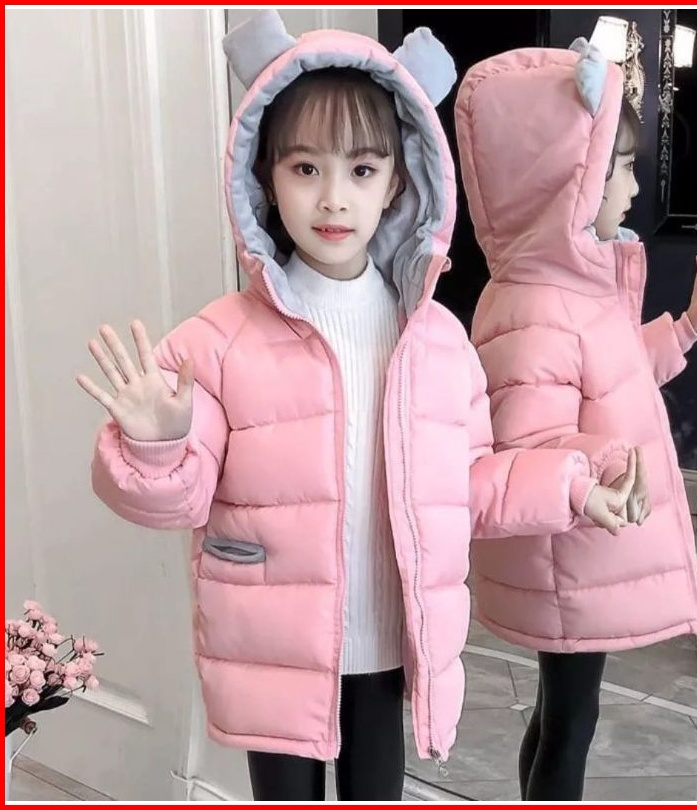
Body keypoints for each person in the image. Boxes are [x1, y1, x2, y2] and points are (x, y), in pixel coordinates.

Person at [77, 15, 636, 802]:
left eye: (362, 169)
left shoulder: (437, 340)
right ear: (264, 176)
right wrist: (160, 446)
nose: (333, 198)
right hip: (272, 650)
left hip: (386, 647)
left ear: (398, 182)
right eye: (305, 167)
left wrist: (573, 488)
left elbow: (469, 485)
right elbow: (179, 497)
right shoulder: (217, 341)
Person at [453, 38, 697, 802]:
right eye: (616, 168)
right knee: (571, 719)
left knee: (563, 713)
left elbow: (608, 382)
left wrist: (681, 332)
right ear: (562, 183)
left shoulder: (572, 288)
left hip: (580, 540)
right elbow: (531, 440)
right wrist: (604, 463)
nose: (631, 187)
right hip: (568, 547)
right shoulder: (540, 305)